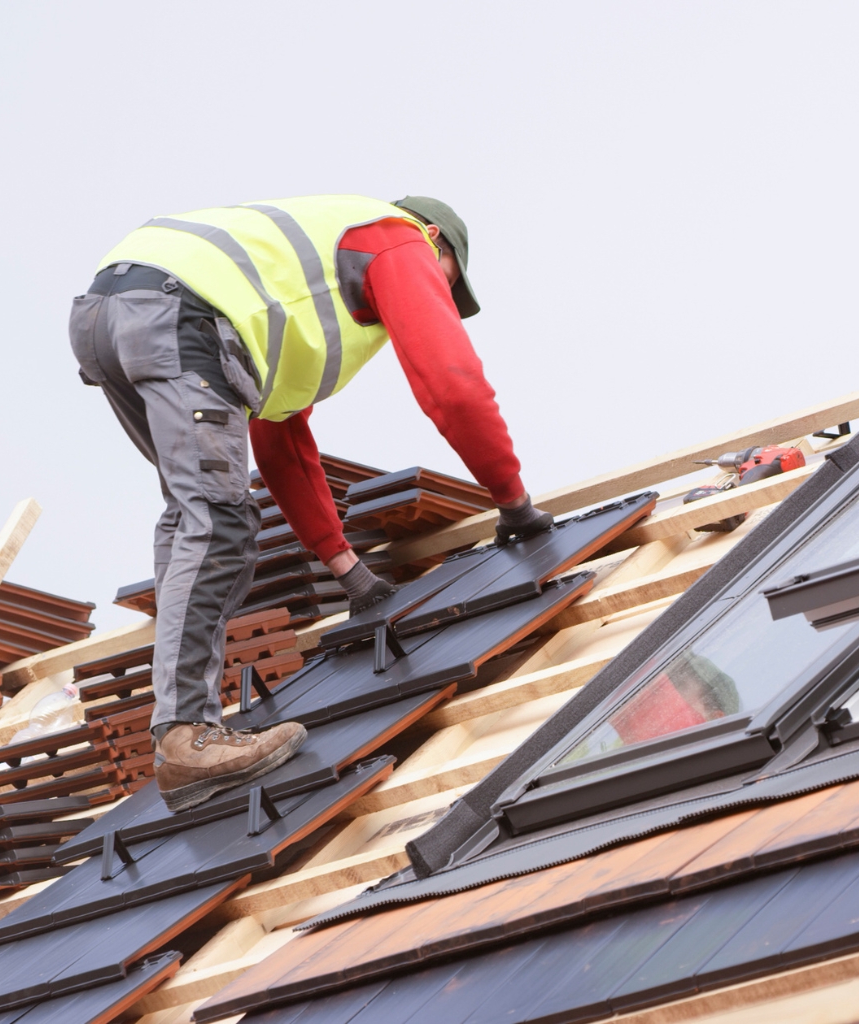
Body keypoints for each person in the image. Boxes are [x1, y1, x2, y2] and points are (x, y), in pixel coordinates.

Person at [69, 194, 551, 813]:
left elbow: (281, 442)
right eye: (449, 280)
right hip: (177, 311)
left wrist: (348, 570)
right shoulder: (398, 239)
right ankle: (187, 738)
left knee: (195, 513)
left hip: (113, 314)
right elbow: (452, 385)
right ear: (437, 239)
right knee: (215, 519)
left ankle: (183, 731)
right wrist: (513, 502)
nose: (441, 296)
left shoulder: (291, 303)